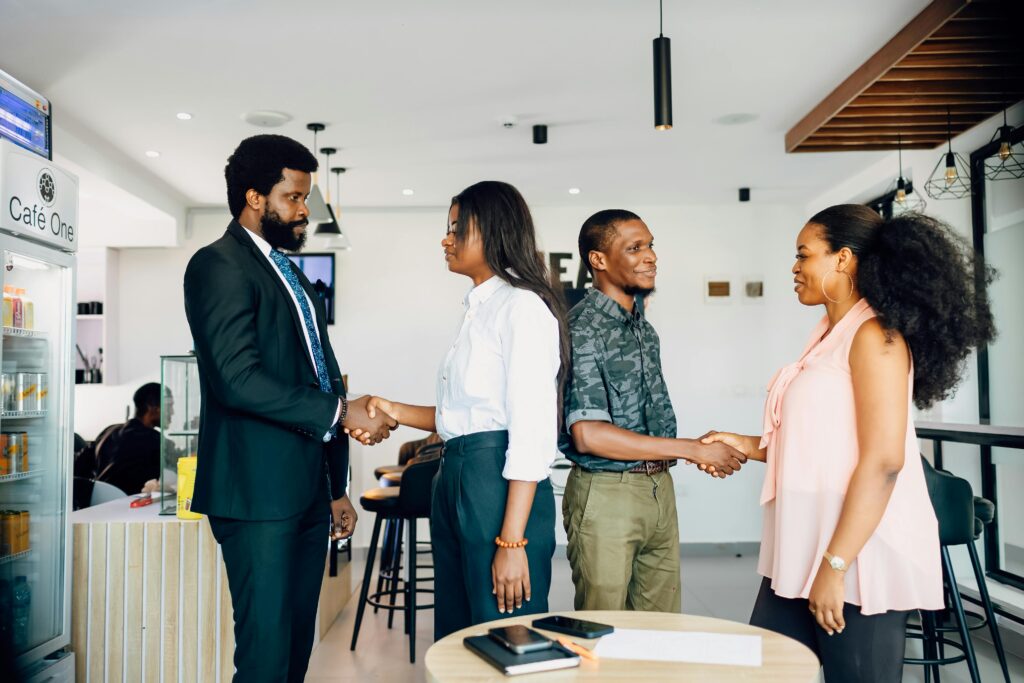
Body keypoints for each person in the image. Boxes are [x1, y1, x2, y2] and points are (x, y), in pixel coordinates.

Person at [702, 205, 996, 682]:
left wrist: (835, 566)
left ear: (842, 259)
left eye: (803, 255)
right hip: (801, 547)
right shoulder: (827, 335)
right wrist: (742, 442)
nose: (794, 269)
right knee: (765, 671)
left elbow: (883, 463)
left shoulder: (875, 336)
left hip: (857, 554)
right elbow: (815, 446)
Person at [182, 134, 395, 683]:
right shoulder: (218, 265)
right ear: (255, 198)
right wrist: (343, 412)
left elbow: (317, 375)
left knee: (296, 649)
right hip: (257, 498)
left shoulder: (290, 272)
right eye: (294, 198)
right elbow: (238, 381)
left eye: (305, 199)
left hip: (303, 493)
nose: (305, 211)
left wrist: (334, 486)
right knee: (266, 658)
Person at [354, 181, 563, 640]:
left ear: (491, 231)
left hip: (496, 482)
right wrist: (390, 408)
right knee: (459, 634)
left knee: (506, 632)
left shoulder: (521, 308)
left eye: (455, 228)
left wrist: (512, 540)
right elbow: (460, 416)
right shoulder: (477, 310)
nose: (445, 240)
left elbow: (531, 432)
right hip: (455, 476)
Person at [559, 209, 747, 614]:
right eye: (635, 248)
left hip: (660, 489)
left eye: (650, 245)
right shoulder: (581, 328)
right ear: (599, 260)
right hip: (606, 493)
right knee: (603, 632)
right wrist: (693, 449)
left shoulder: (644, 330)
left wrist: (692, 450)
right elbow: (588, 434)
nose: (650, 256)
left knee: (662, 630)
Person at [73, 383, 172, 495]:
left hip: (99, 502)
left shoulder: (109, 430)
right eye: (169, 406)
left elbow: (79, 467)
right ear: (152, 407)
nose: (172, 412)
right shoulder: (155, 440)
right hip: (131, 506)